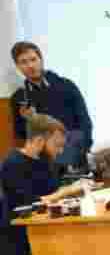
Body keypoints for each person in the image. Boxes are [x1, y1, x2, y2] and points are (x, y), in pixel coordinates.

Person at [1, 114, 91, 255]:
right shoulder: (13, 164)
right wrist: (65, 192)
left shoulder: (46, 162)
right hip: (22, 246)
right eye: (57, 145)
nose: (60, 151)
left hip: (47, 233)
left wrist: (73, 190)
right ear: (39, 141)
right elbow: (28, 205)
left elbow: (52, 194)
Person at [9, 42, 93, 172]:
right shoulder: (19, 98)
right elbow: (21, 136)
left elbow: (85, 123)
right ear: (18, 66)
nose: (30, 65)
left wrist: (80, 151)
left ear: (41, 59)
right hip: (43, 163)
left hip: (75, 157)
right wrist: (28, 120)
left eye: (33, 59)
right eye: (23, 62)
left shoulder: (66, 85)